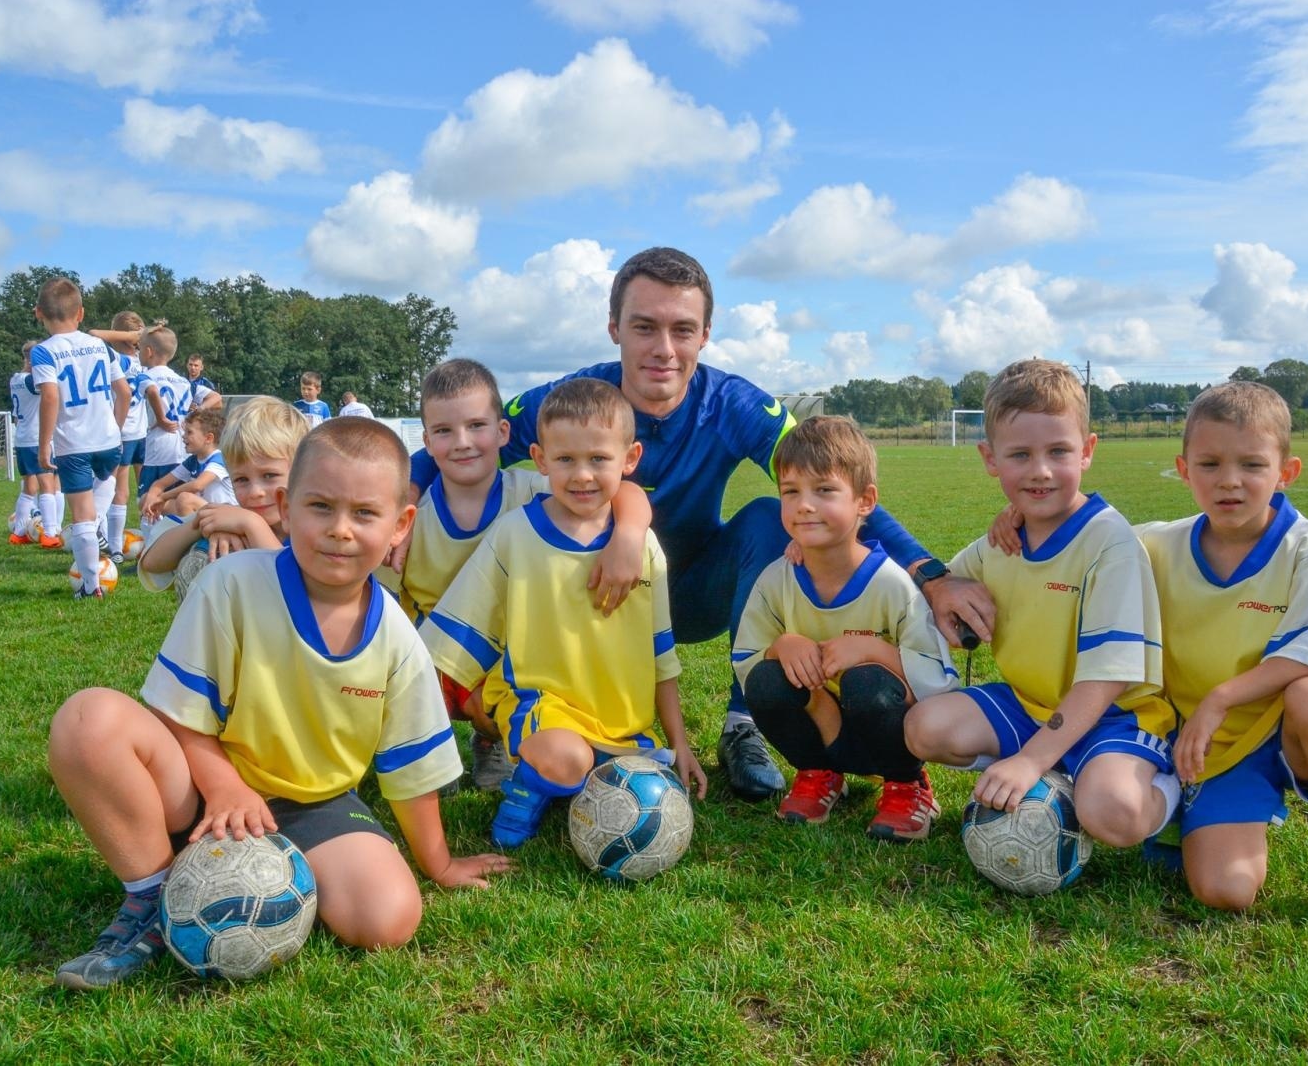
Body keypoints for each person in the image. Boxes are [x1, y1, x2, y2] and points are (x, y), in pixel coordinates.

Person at [491, 247, 996, 801]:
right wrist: (416, 492)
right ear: (614, 328)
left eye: (683, 330)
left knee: (766, 516)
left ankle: (742, 724)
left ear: (705, 335)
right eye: (644, 327)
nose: (664, 349)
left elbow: (839, 487)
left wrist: (931, 576)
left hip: (695, 593)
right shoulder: (574, 401)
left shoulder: (731, 404)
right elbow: (468, 446)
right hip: (593, 599)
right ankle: (500, 713)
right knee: (495, 514)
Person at [47, 417, 511, 990]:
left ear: (400, 525)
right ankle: (151, 892)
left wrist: (438, 864)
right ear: (287, 509)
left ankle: (268, 871)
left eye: (365, 513)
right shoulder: (232, 584)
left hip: (311, 803)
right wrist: (225, 787)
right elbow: (176, 713)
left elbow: (412, 768)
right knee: (88, 719)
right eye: (320, 507)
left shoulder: (397, 639)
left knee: (388, 919)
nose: (340, 530)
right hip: (200, 787)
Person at [1136, 381, 1308, 945]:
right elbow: (1079, 543)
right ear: (1184, 470)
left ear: (1286, 471)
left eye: (1252, 464)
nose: (1229, 481)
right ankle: (1184, 805)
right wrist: (1015, 519)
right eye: (1210, 464)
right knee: (1226, 889)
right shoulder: (1158, 545)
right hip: (1205, 744)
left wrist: (1222, 696)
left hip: (1284, 732)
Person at [904, 359, 1180, 862]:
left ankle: (1176, 792)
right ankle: (1060, 772)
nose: (1040, 471)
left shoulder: (1109, 543)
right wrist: (936, 583)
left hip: (1115, 716)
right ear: (990, 458)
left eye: (1058, 451)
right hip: (1031, 705)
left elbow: (1107, 680)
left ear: (1087, 450)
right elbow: (941, 587)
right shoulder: (1003, 541)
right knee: (925, 728)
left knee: (1113, 813)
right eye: (1020, 455)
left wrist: (1030, 760)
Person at [423, 378, 707, 848]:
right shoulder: (515, 535)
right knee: (566, 758)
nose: (582, 475)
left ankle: (576, 772)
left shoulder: (643, 549)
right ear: (540, 459)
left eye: (599, 459)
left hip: (620, 720)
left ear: (630, 458)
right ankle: (527, 789)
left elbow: (661, 655)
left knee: (644, 781)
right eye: (566, 460)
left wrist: (680, 743)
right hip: (541, 707)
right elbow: (455, 638)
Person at [400, 359, 651, 792]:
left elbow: (621, 490)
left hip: (517, 652)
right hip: (438, 655)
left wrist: (629, 532)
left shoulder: (537, 492)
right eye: (444, 431)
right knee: (414, 666)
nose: (462, 442)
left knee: (523, 677)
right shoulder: (408, 521)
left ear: (503, 432)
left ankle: (491, 739)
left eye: (476, 426)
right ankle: (428, 746)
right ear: (426, 442)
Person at [733, 417, 959, 841]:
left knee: (865, 681)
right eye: (791, 491)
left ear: (865, 501)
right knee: (766, 680)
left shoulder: (892, 584)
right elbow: (747, 660)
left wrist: (873, 651)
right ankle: (818, 773)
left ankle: (907, 785)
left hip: (887, 729)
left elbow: (939, 682)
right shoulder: (776, 579)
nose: (804, 505)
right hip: (824, 724)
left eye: (824, 490)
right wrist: (782, 645)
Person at [138, 397, 306, 594]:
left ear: (303, 472)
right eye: (241, 479)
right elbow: (152, 563)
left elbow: (293, 590)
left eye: (270, 476)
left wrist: (252, 525)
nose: (255, 492)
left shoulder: (311, 528)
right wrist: (203, 525)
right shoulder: (230, 516)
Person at [31, 278, 132, 598]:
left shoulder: (43, 352)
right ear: (81, 313)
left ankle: (91, 586)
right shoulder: (100, 346)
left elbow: (50, 397)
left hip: (73, 444)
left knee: (82, 516)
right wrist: (115, 427)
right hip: (109, 439)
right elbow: (124, 392)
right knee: (106, 483)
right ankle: (97, 526)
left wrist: (44, 444)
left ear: (38, 313)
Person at [88, 312, 151, 562]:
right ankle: (129, 544)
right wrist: (135, 336)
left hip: (122, 431)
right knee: (136, 488)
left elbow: (94, 335)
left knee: (118, 488)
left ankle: (111, 544)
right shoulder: (143, 362)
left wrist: (129, 335)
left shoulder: (119, 360)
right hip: (138, 432)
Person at [136, 325, 190, 530]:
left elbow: (151, 391)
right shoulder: (183, 381)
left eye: (140, 348)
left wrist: (160, 418)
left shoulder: (146, 376)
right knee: (174, 502)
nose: (138, 353)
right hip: (182, 447)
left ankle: (151, 542)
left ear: (149, 351)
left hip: (159, 447)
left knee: (146, 501)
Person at [8, 341, 60, 545]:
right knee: (47, 486)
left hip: (22, 438)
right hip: (37, 437)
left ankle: (19, 533)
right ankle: (49, 534)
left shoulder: (15, 378)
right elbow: (51, 392)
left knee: (29, 487)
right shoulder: (32, 381)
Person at [140, 408, 234, 520]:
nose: (183, 436)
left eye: (189, 432)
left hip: (225, 515)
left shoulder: (219, 458)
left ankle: (188, 531)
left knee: (185, 500)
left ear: (208, 438)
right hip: (205, 510)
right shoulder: (192, 460)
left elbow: (197, 485)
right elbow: (160, 484)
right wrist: (151, 498)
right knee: (146, 499)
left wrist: (162, 497)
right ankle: (156, 527)